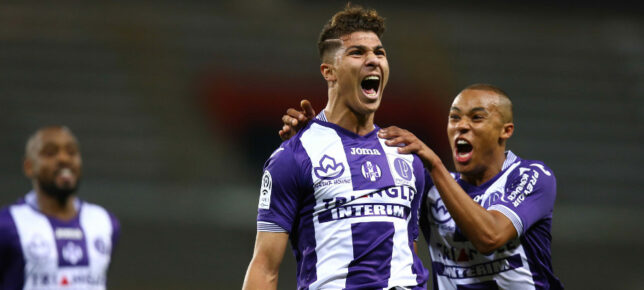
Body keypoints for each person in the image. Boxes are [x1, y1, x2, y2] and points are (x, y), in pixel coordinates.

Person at [281, 84, 564, 289]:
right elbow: (354, 197)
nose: (461, 126)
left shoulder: (531, 176)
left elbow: (489, 237)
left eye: (476, 118)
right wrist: (315, 143)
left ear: (506, 130)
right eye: (454, 118)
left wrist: (435, 164)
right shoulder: (431, 186)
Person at [243, 4, 429, 290]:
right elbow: (264, 267)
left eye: (379, 52)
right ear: (328, 71)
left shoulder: (405, 155)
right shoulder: (293, 157)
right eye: (358, 53)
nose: (373, 60)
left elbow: (407, 251)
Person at [0, 126, 120, 290]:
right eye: (50, 153)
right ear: (29, 167)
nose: (64, 159)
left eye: (71, 152)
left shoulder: (104, 222)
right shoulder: (7, 224)